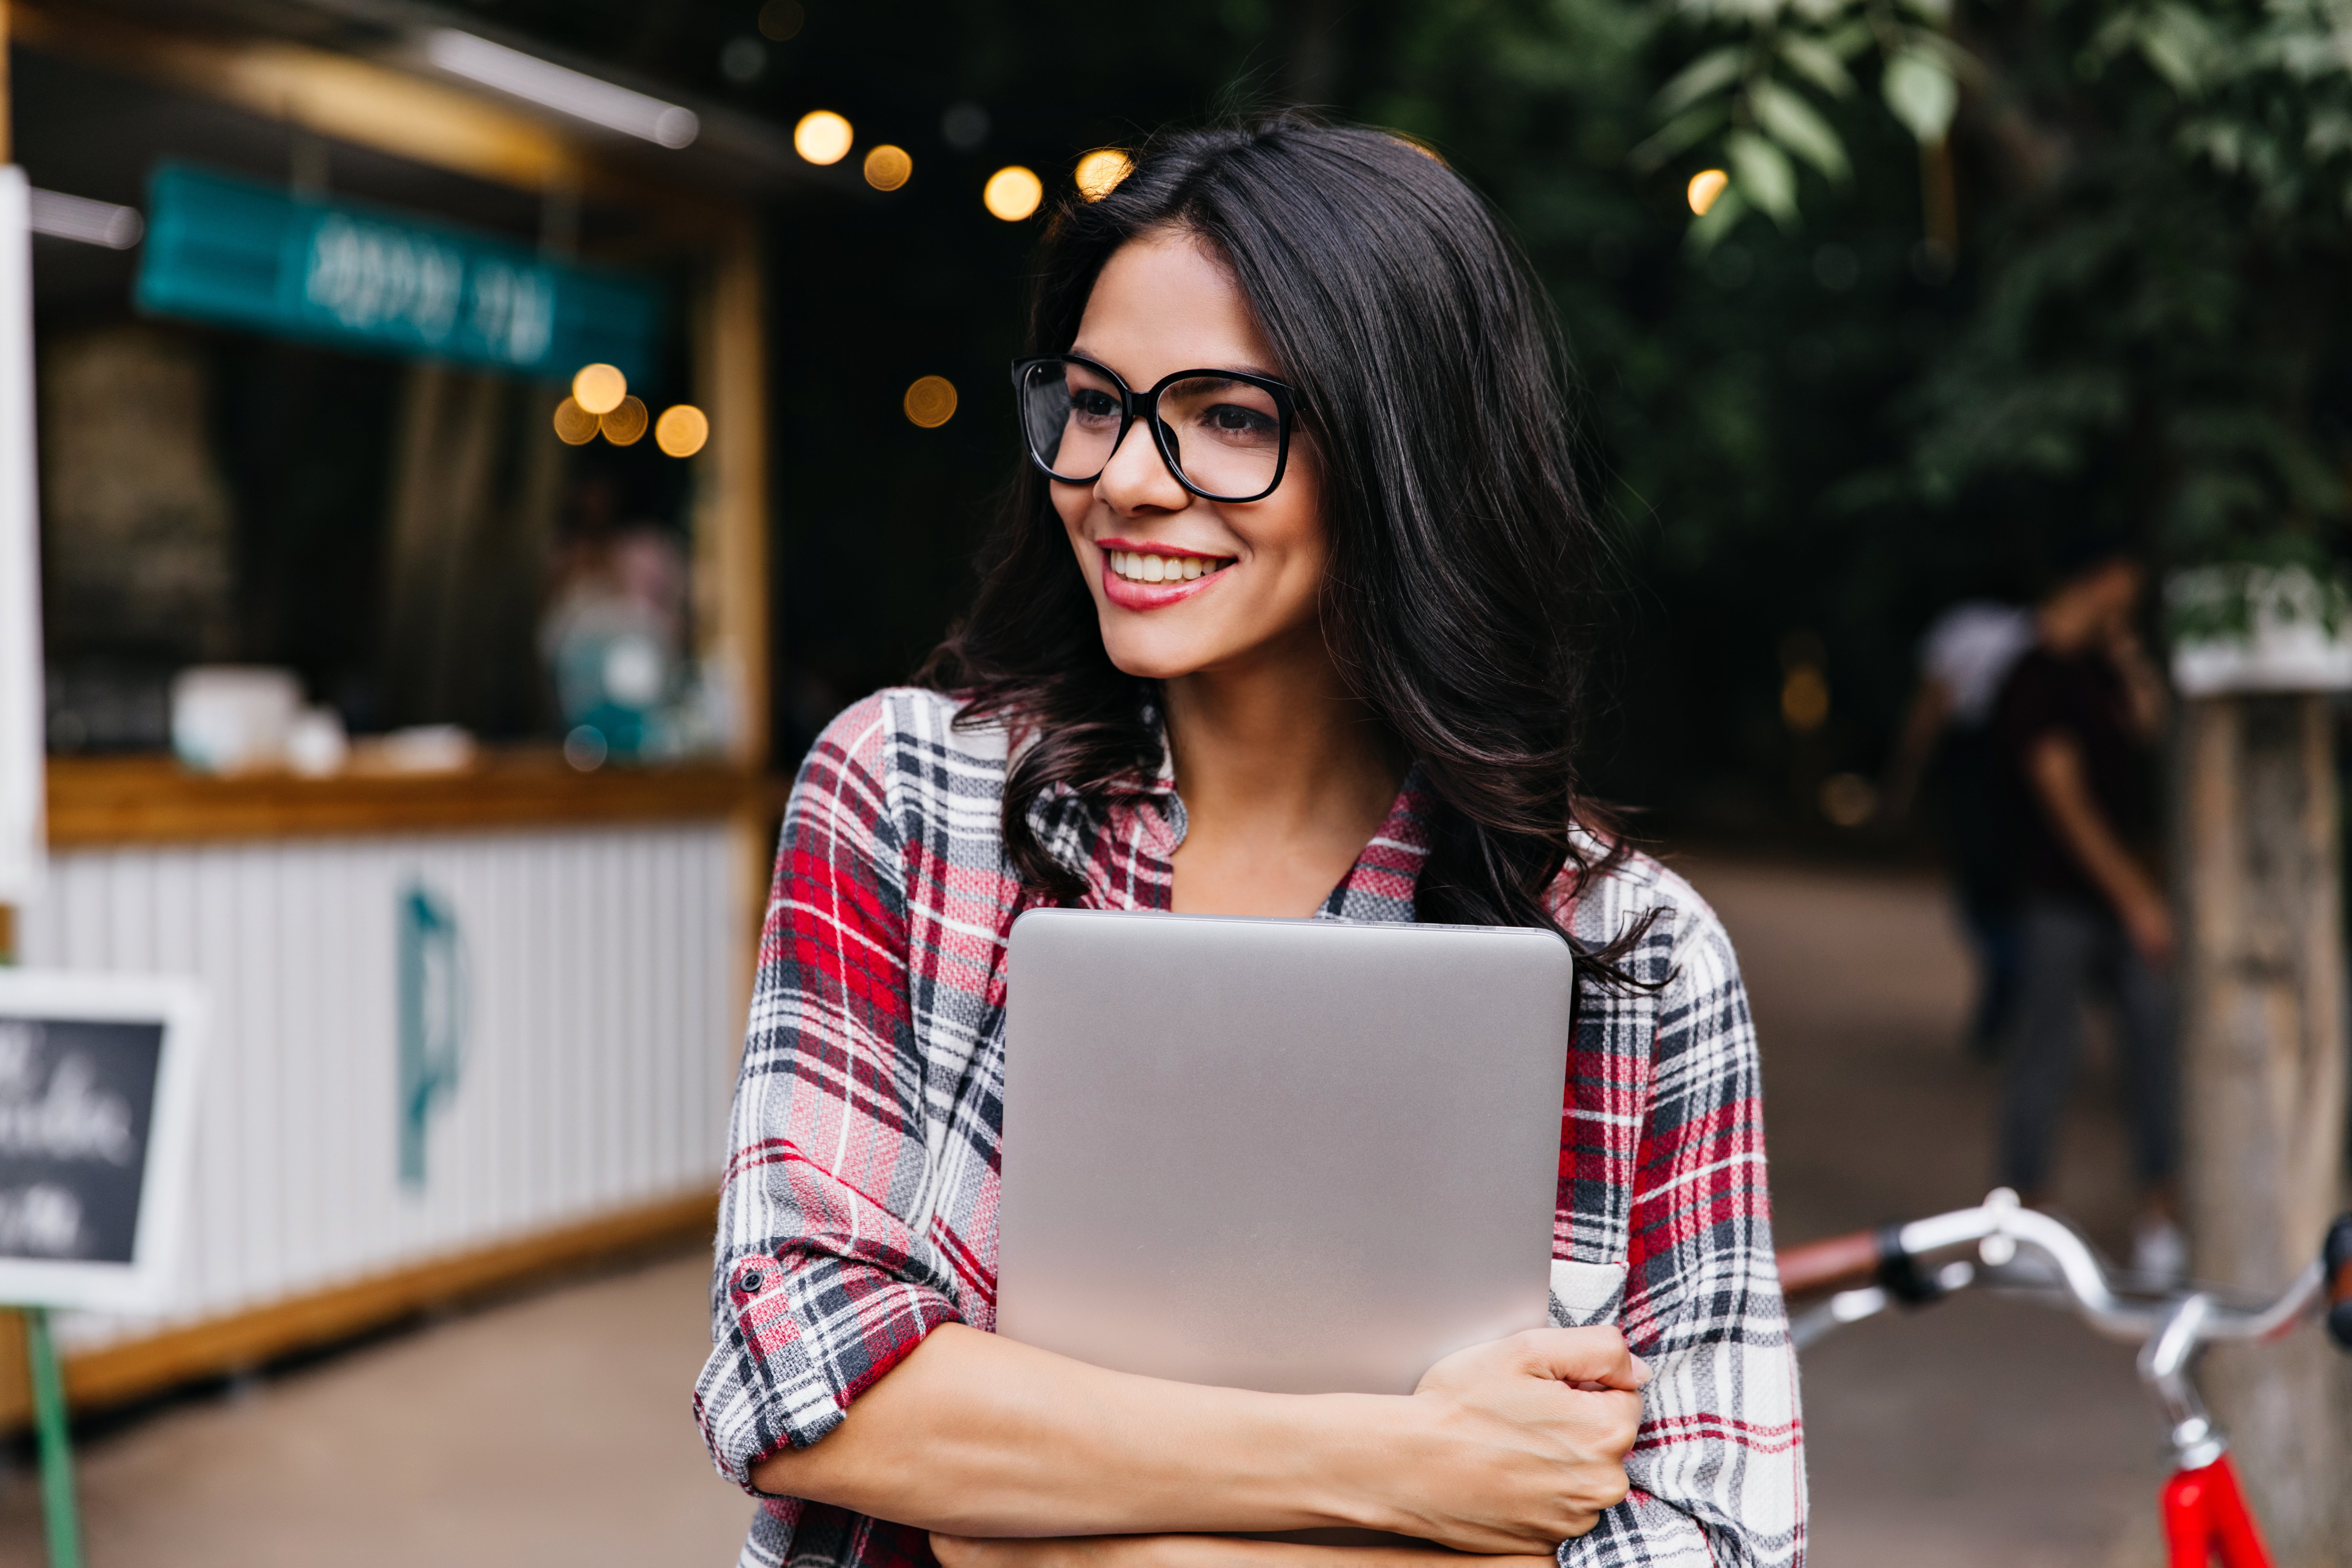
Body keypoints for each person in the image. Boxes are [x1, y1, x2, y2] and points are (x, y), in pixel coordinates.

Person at [694, 120, 1801, 1568]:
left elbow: (1720, 1538)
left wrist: (1037, 1508)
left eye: (1226, 415)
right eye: (1094, 403)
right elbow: (800, 1387)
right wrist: (1407, 1470)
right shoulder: (911, 800)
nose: (1125, 480)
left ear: (1405, 450)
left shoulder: (1632, 955)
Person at [1990, 546, 2182, 1281]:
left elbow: (2151, 730)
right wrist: (2138, 898)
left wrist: (2131, 657)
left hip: (2118, 898)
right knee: (2047, 1050)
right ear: (2100, 573)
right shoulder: (2033, 676)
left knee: (2154, 1050)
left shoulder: (2104, 667)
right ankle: (2022, 1222)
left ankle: (2162, 1215)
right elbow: (2065, 802)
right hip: (2057, 897)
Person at [1880, 600, 2036, 1055]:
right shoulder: (2032, 626)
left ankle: (2010, 983)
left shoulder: (1960, 628)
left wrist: (1905, 778)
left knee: (1982, 888)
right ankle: (2007, 996)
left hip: (1977, 761)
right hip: (2020, 766)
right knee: (2004, 885)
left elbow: (1933, 703)